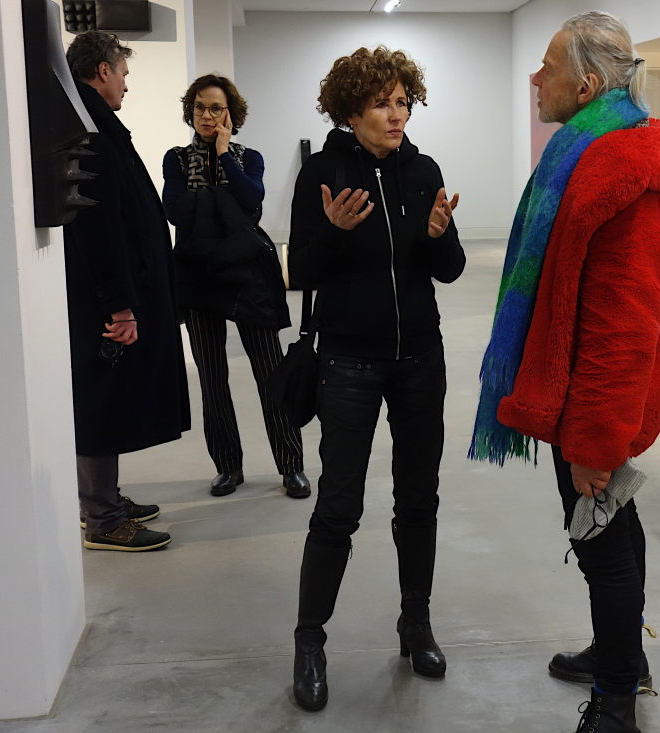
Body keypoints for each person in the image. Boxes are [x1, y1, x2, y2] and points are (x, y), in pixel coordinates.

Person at [469, 12, 660, 732]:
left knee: (601, 542)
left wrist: (595, 439)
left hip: (591, 401)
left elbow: (624, 325)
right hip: (574, 391)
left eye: (549, 66)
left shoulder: (620, 168)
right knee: (612, 527)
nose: (536, 78)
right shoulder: (587, 151)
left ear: (588, 83)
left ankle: (616, 697)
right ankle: (621, 654)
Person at [286, 46, 465, 712]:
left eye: (403, 102)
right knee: (339, 504)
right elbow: (302, 270)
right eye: (382, 103)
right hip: (348, 362)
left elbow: (448, 268)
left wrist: (440, 235)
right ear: (350, 109)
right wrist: (333, 232)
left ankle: (415, 623)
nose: (397, 115)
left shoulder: (424, 170)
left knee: (419, 498)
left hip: (419, 358)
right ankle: (309, 641)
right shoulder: (323, 173)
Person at [64, 31, 190, 551]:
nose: (126, 84)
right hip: (106, 301)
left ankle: (104, 500)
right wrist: (119, 305)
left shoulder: (91, 123)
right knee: (100, 399)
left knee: (109, 397)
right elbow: (99, 227)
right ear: (103, 70)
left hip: (111, 294)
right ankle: (103, 519)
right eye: (123, 72)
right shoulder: (91, 131)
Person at [162, 75, 309, 499]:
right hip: (198, 276)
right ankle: (228, 467)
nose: (207, 116)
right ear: (190, 111)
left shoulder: (249, 157)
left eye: (216, 108)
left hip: (248, 275)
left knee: (271, 374)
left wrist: (224, 157)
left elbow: (252, 201)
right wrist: (224, 205)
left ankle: (291, 466)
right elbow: (175, 212)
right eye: (200, 107)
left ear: (231, 114)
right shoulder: (176, 159)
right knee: (212, 380)